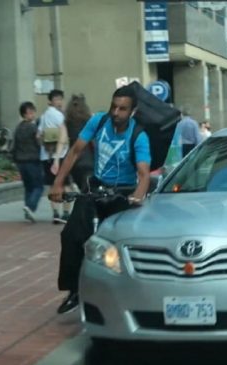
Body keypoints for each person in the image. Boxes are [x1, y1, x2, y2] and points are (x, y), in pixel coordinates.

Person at [49, 85, 151, 314]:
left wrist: (137, 195)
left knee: (120, 241)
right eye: (113, 107)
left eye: (122, 109)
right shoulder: (98, 121)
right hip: (95, 188)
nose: (116, 112)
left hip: (123, 192)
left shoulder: (138, 135)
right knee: (72, 234)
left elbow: (143, 174)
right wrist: (58, 183)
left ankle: (133, 289)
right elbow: (75, 151)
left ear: (132, 111)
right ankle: (75, 290)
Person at [38, 89, 73, 224]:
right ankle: (66, 213)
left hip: (46, 155)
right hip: (61, 155)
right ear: (51, 101)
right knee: (66, 185)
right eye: (57, 99)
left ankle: (55, 213)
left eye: (60, 99)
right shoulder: (59, 116)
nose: (59, 102)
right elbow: (64, 135)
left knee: (53, 185)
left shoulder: (43, 116)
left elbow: (39, 135)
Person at [51, 94, 94, 192]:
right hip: (90, 159)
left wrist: (56, 160)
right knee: (90, 188)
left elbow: (61, 141)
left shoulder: (66, 122)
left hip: (74, 161)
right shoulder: (90, 119)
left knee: (82, 188)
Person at [11, 102, 44, 223]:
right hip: (32, 160)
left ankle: (27, 210)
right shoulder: (33, 127)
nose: (33, 114)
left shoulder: (18, 128)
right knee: (38, 187)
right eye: (32, 112)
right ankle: (30, 207)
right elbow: (39, 142)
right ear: (26, 114)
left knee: (28, 187)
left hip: (20, 161)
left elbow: (14, 145)